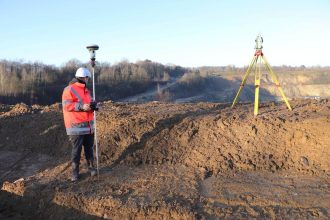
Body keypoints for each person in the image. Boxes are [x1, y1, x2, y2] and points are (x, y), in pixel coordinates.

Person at [62, 67, 98, 181]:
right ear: (84, 78)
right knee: (76, 150)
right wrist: (81, 107)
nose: (88, 80)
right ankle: (75, 173)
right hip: (76, 126)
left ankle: (91, 168)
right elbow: (66, 105)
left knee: (89, 148)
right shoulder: (69, 89)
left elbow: (88, 106)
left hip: (88, 126)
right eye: (87, 78)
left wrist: (93, 106)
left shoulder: (86, 91)